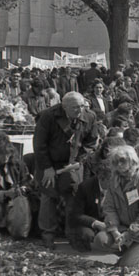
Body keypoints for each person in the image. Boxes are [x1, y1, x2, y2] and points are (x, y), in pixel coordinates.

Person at [34, 91, 100, 249]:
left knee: (74, 198)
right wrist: (47, 168)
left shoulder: (89, 116)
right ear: (64, 107)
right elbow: (39, 144)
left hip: (73, 163)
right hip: (49, 162)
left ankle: (72, 235)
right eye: (75, 108)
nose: (79, 111)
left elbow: (91, 142)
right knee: (48, 197)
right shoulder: (48, 116)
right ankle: (48, 235)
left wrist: (80, 160)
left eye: (82, 106)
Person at [0, 134, 33, 237]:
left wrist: (23, 188)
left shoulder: (17, 164)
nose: (5, 158)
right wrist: (5, 194)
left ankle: (19, 231)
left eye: (8, 154)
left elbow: (27, 181)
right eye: (2, 154)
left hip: (15, 201)